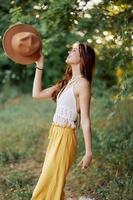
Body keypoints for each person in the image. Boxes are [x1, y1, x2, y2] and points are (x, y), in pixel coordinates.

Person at [31, 41, 96, 200]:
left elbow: (85, 120)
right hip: (55, 134)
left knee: (49, 182)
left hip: (66, 137)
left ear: (83, 58)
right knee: (51, 183)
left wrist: (88, 152)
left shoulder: (83, 84)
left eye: (74, 50)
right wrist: (40, 65)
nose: (69, 51)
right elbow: (36, 94)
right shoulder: (66, 83)